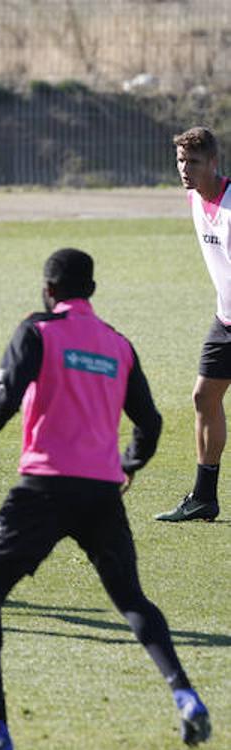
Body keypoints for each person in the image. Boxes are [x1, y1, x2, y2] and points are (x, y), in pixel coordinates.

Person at [0, 249, 212, 750]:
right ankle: (186, 695)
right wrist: (127, 466)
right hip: (101, 493)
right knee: (130, 599)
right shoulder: (117, 344)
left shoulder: (37, 333)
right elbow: (149, 424)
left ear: (48, 290)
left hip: (43, 489)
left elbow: (1, 404)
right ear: (91, 290)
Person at [156, 126, 230, 522]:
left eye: (194, 162)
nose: (185, 169)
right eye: (181, 161)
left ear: (214, 162)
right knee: (204, 398)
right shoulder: (194, 199)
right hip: (225, 320)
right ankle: (204, 497)